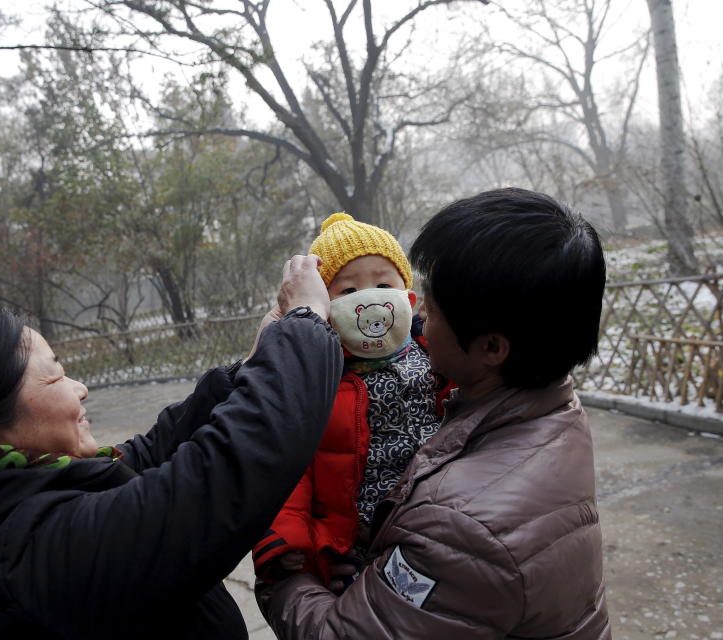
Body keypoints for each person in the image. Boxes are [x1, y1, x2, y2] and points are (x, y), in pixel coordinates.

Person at [0, 255, 343, 639]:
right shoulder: (25, 557)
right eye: (56, 375)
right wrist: (305, 323)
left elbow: (146, 459)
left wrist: (250, 367)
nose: (80, 388)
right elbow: (220, 477)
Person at [259, 188, 612, 639]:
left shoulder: (456, 528)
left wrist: (283, 580)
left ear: (490, 348)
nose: (418, 312)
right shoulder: (550, 406)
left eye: (433, 306)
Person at [252, 213, 452, 589]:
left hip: (438, 514)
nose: (370, 299)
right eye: (348, 292)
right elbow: (290, 466)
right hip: (357, 537)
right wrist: (289, 534)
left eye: (383, 282)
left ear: (407, 296)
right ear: (322, 308)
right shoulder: (319, 377)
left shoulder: (435, 350)